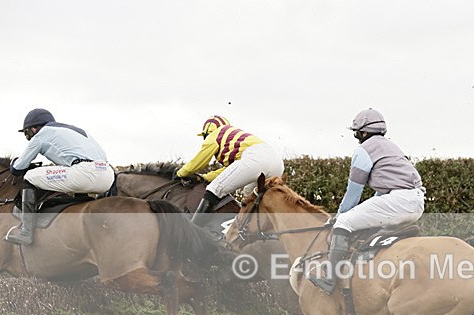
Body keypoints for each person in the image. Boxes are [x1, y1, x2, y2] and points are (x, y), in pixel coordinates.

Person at [308, 108, 426, 294]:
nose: (356, 137)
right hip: (417, 202)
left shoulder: (363, 151)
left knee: (345, 222)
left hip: (399, 200)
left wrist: (338, 217)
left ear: (362, 132)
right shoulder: (392, 147)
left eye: (356, 133)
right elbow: (381, 195)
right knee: (365, 222)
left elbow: (353, 194)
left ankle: (330, 279)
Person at [7, 108, 115, 246]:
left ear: (33, 129)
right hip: (107, 175)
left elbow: (17, 168)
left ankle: (26, 232)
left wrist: (13, 163)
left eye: (27, 134)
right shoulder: (74, 130)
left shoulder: (41, 134)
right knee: (70, 174)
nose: (28, 138)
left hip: (84, 173)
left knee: (29, 176)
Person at [175, 115, 284, 226]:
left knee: (215, 189)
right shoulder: (233, 139)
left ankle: (194, 229)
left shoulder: (215, 135)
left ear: (207, 132)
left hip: (256, 158)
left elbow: (200, 160)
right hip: (277, 163)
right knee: (250, 197)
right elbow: (229, 171)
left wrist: (180, 173)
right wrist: (205, 177)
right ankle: (251, 230)